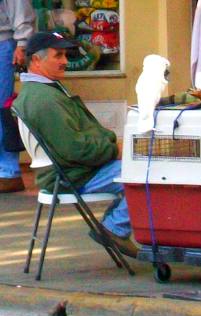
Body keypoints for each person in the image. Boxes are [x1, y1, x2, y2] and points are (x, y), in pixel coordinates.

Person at [13, 31, 138, 258]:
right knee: (145, 173)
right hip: (73, 175)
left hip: (72, 171)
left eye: (65, 55)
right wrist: (114, 149)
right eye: (58, 55)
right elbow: (75, 149)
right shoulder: (44, 99)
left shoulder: (46, 90)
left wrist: (111, 144)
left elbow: (77, 143)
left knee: (143, 168)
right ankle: (114, 228)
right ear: (36, 60)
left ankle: (115, 226)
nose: (65, 61)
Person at [0, 0, 35, 192]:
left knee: (1, 109)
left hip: (2, 42)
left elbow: (20, 7)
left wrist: (22, 42)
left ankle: (7, 171)